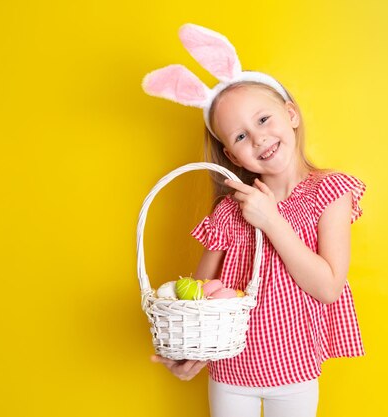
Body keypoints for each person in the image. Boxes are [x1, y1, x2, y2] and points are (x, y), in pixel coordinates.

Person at [142, 23, 366, 417]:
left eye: (263, 120)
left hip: (295, 371)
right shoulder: (229, 211)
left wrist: (271, 220)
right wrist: (188, 351)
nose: (259, 138)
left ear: (291, 115)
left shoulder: (330, 191)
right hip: (231, 373)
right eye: (241, 137)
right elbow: (198, 294)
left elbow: (329, 287)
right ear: (231, 157)